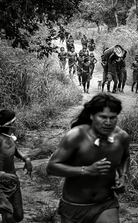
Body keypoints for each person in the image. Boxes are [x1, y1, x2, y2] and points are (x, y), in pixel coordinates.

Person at [47, 93, 130, 223]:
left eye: (113, 118)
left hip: (105, 203)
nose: (108, 122)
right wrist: (86, 170)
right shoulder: (76, 136)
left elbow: (125, 157)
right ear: (92, 115)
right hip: (74, 206)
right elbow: (51, 167)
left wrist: (122, 176)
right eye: (103, 117)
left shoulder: (122, 137)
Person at [0, 110, 33, 223]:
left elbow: (15, 151)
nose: (16, 124)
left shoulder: (10, 137)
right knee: (9, 214)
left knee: (18, 216)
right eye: (15, 121)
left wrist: (26, 159)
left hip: (12, 181)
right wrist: (1, 174)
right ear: (10, 124)